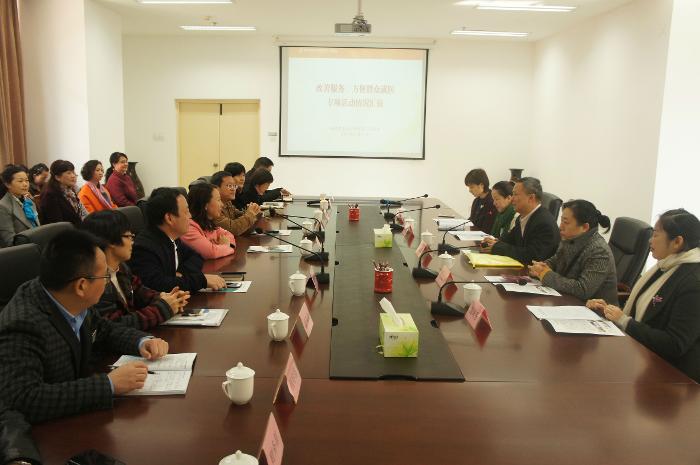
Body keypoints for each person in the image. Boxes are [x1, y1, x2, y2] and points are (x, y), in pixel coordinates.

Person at [0, 230, 170, 424]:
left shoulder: (68, 297)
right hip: (51, 432)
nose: (107, 282)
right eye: (105, 276)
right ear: (81, 286)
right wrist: (108, 384)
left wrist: (142, 341)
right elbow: (24, 399)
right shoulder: (22, 325)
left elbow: (104, 329)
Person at [587, 209, 700, 382]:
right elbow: (643, 312)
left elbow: (675, 344)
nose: (650, 240)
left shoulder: (693, 283)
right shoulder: (665, 266)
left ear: (677, 242)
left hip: (672, 376)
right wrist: (608, 310)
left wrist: (624, 321)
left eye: (656, 235)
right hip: (642, 355)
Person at [81, 210, 189, 329]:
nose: (132, 242)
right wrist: (163, 308)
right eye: (128, 236)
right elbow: (114, 326)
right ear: (111, 241)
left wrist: (166, 297)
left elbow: (140, 292)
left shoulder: (122, 268)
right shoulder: (96, 280)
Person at [129, 187, 226, 293]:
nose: (190, 216)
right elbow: (157, 285)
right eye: (186, 211)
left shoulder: (172, 238)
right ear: (169, 218)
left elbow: (196, 257)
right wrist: (200, 280)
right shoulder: (144, 248)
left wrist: (180, 275)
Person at [528, 200, 618, 304]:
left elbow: (583, 290)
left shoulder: (599, 251)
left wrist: (545, 274)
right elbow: (555, 260)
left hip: (594, 310)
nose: (560, 227)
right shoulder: (570, 238)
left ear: (585, 227)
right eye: (561, 221)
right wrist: (540, 267)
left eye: (565, 222)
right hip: (565, 300)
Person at [482, 177, 560, 264]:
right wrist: (494, 242)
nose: (511, 199)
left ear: (531, 198)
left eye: (515, 194)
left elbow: (533, 256)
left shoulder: (544, 223)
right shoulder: (522, 217)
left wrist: (499, 247)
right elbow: (509, 240)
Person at [181, 184, 236, 260]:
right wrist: (226, 246)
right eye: (218, 200)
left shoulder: (208, 223)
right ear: (205, 205)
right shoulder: (188, 228)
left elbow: (229, 235)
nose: (222, 205)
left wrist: (222, 246)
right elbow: (211, 253)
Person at [38, 160, 88, 226]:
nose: (73, 176)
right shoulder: (50, 195)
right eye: (69, 173)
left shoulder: (71, 191)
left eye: (73, 172)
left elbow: (83, 213)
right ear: (57, 177)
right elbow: (57, 224)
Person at [211, 171, 260, 236]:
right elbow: (234, 229)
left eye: (234, 186)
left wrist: (254, 210)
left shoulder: (228, 202)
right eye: (229, 186)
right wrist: (250, 213)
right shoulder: (213, 208)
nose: (233, 189)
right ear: (217, 188)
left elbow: (239, 215)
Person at [0, 165, 40, 247]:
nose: (25, 184)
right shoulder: (3, 206)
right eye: (20, 181)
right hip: (23, 250)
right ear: (8, 184)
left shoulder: (28, 200)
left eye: (27, 180)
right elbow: (10, 241)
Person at [464, 168, 497, 233]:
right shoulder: (476, 201)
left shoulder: (493, 202)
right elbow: (472, 221)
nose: (470, 190)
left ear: (481, 185)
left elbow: (487, 229)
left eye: (472, 187)